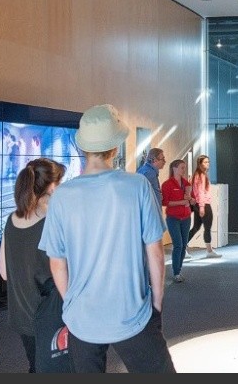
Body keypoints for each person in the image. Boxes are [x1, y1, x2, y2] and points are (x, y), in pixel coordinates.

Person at [38, 104, 175, 373]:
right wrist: (157, 302)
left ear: (82, 147)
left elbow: (57, 262)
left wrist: (71, 304)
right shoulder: (138, 186)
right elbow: (156, 253)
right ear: (115, 147)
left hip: (82, 318)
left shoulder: (62, 196)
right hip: (133, 313)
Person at [0, 158, 70, 373]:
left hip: (22, 313)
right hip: (50, 313)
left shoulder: (11, 219)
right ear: (52, 187)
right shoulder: (53, 221)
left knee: (36, 365)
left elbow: (4, 272)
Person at [162, 159, 194, 283]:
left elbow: (193, 200)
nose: (184, 170)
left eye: (184, 167)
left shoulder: (187, 184)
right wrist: (181, 202)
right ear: (174, 168)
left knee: (184, 245)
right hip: (173, 218)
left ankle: (179, 270)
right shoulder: (167, 184)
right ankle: (176, 272)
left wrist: (191, 199)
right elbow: (165, 202)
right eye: (182, 167)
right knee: (178, 245)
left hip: (186, 218)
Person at [187, 154, 222, 258]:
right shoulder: (200, 176)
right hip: (203, 204)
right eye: (205, 162)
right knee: (207, 227)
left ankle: (182, 247)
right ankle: (209, 251)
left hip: (199, 204)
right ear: (200, 164)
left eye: (208, 162)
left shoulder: (197, 175)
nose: (208, 164)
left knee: (196, 227)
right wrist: (202, 207)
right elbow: (200, 192)